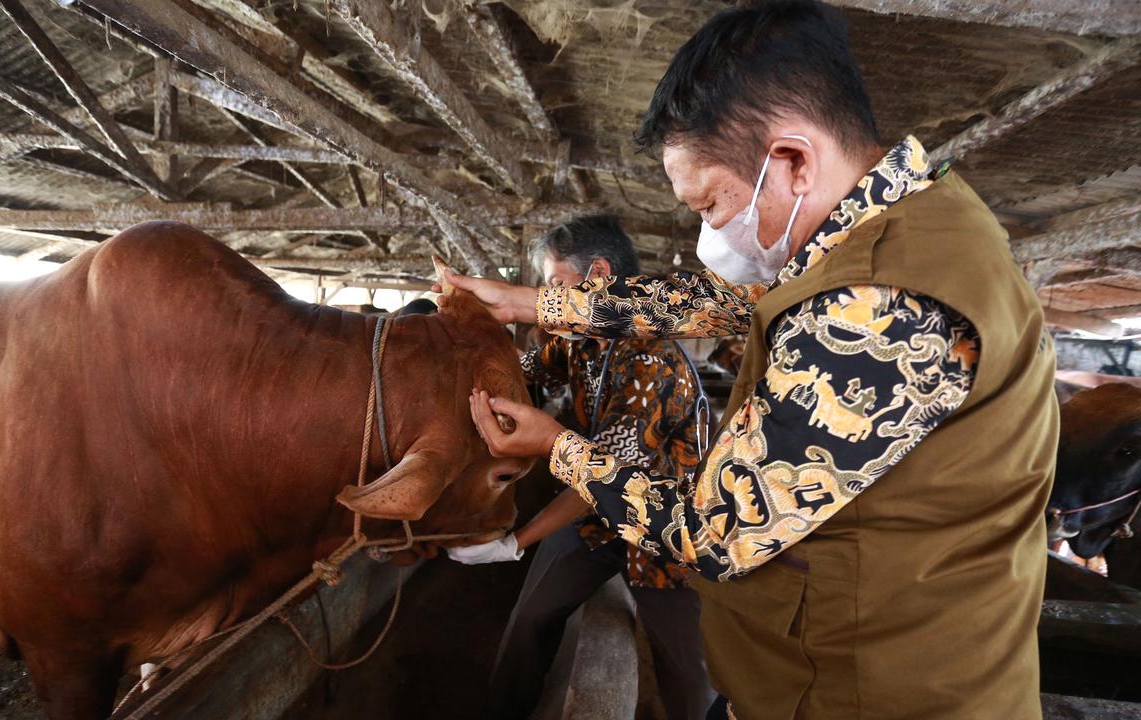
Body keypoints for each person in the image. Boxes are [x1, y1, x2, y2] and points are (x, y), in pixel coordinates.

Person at [440, 2, 1058, 718]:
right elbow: (710, 302)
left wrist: (558, 447)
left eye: (711, 206)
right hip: (816, 672)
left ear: (791, 161)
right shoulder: (896, 229)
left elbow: (713, 534)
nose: (710, 236)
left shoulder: (884, 304)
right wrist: (526, 305)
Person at [448, 215, 716, 720]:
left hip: (668, 535)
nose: (548, 300)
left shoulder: (653, 360)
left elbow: (601, 478)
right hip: (598, 522)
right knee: (528, 619)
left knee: (686, 676)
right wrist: (470, 343)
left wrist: (515, 543)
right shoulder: (578, 343)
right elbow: (518, 376)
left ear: (596, 274)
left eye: (553, 284)